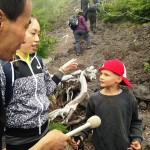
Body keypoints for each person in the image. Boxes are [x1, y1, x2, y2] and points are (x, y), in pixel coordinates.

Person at [0, 0, 70, 150]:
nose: (37, 39)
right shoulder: (6, 67)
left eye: (39, 34)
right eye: (31, 31)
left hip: (44, 131)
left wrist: (61, 72)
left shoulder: (37, 61)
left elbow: (46, 90)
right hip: (18, 140)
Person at [73, 59, 143, 150]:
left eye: (106, 75)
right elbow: (88, 123)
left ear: (119, 79)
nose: (101, 77)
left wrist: (137, 139)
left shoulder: (128, 97)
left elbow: (135, 122)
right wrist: (81, 136)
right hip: (100, 147)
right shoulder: (94, 98)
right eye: (101, 74)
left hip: (125, 147)